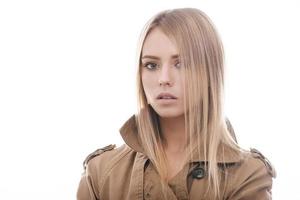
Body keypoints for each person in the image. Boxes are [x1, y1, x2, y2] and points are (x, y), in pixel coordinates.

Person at [76, 7, 276, 200]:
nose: (164, 78)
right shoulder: (101, 171)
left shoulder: (248, 174)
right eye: (151, 65)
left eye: (181, 64)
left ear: (210, 72)